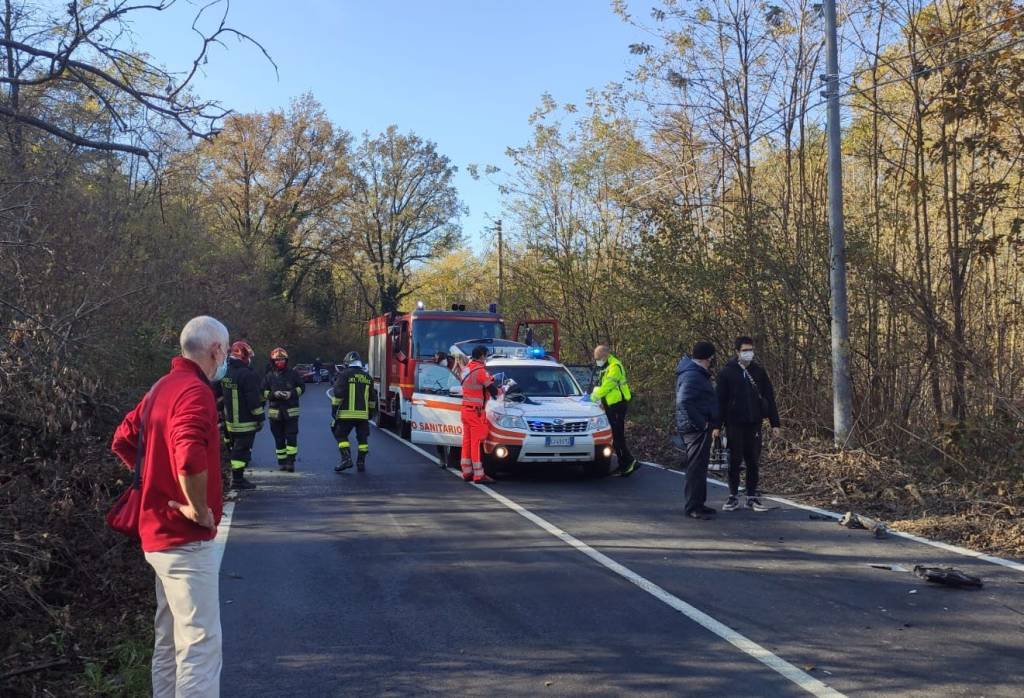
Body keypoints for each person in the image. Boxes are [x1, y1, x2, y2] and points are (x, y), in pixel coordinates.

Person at [110, 315, 228, 697]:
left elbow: (124, 439)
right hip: (185, 539)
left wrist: (154, 485)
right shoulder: (195, 392)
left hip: (157, 538)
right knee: (199, 646)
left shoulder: (161, 387)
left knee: (169, 639)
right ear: (216, 350)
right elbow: (190, 455)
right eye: (224, 351)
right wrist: (196, 507)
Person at [717, 336, 781, 512]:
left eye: (750, 350)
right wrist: (716, 425)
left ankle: (752, 497)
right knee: (734, 461)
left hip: (754, 423)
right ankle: (733, 496)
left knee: (753, 460)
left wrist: (775, 423)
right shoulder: (726, 373)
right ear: (737, 352)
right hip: (734, 423)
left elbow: (769, 397)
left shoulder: (759, 372)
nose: (748, 353)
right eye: (745, 350)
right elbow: (720, 401)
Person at [675, 341, 721, 520]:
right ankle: (693, 506)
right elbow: (684, 401)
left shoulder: (694, 373)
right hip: (694, 429)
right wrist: (701, 424)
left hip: (696, 427)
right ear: (707, 358)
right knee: (695, 468)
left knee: (700, 467)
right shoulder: (693, 375)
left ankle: (699, 503)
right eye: (712, 358)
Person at [214, 340, 264, 490]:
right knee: (242, 451)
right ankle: (238, 480)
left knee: (235, 448)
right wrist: (260, 418)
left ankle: (235, 477)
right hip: (245, 422)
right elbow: (254, 400)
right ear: (244, 357)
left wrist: (219, 411)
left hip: (230, 422)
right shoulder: (247, 375)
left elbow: (216, 393)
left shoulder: (224, 372)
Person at [587, 345, 638, 476]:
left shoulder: (614, 367)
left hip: (617, 405)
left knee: (618, 436)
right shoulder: (607, 366)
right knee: (615, 436)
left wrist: (593, 397)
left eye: (598, 358)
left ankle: (628, 462)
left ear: (604, 356)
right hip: (612, 405)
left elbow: (607, 386)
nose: (597, 360)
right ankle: (623, 464)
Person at [331, 351, 376, 472]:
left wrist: (334, 410)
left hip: (346, 414)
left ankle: (346, 459)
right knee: (363, 440)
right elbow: (372, 398)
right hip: (363, 415)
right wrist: (371, 412)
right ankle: (361, 462)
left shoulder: (344, 375)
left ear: (347, 363)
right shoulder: (368, 377)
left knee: (340, 435)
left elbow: (338, 394)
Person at [459, 345, 498, 483]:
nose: (486, 358)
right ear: (481, 356)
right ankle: (478, 474)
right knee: (476, 443)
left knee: (467, 442)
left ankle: (467, 472)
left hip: (465, 410)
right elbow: (493, 391)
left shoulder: (466, 369)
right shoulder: (481, 371)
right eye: (486, 355)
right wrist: (503, 390)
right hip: (475, 411)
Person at [262, 347, 304, 472]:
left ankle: (291, 462)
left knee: (291, 437)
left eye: (282, 359)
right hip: (275, 414)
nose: (280, 362)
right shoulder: (269, 376)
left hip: (291, 412)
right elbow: (262, 391)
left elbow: (302, 387)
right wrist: (274, 394)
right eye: (277, 360)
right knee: (278, 439)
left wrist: (292, 393)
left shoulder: (293, 374)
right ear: (272, 361)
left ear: (286, 360)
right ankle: (282, 462)